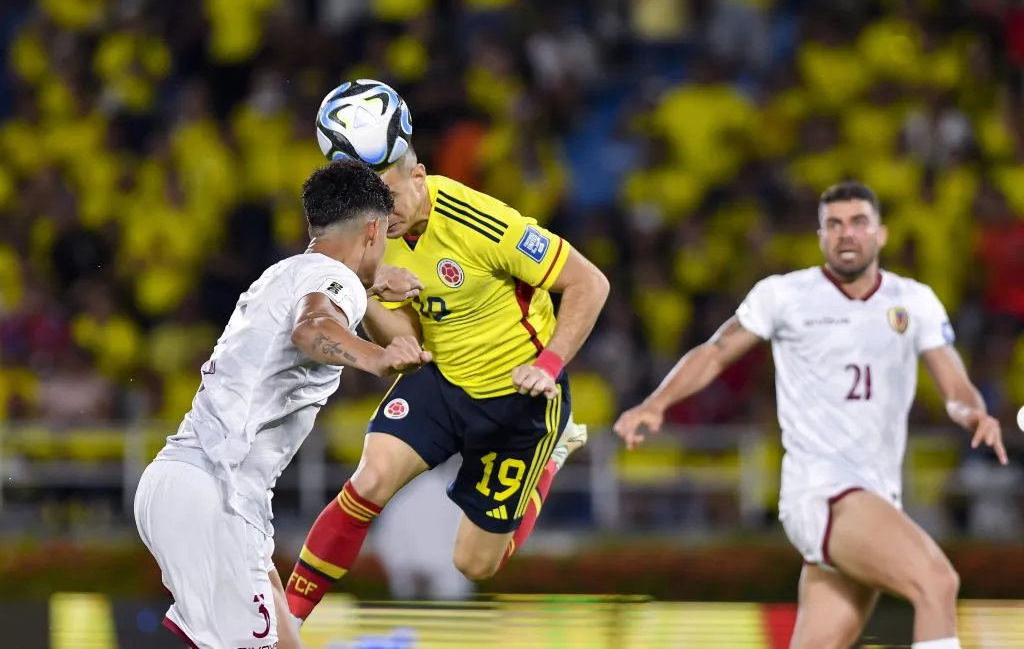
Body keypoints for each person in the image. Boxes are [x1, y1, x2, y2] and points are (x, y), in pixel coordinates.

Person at [613, 181, 1007, 649]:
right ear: (820, 236)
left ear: (880, 234)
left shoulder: (913, 300)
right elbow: (716, 352)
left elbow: (954, 381)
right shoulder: (785, 295)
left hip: (876, 499)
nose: (846, 234)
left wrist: (973, 414)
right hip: (823, 491)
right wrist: (657, 402)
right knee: (936, 582)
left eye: (858, 223)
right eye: (834, 224)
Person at [285, 141, 610, 623]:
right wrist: (369, 289)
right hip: (443, 378)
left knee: (474, 564)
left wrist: (549, 364)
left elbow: (591, 283)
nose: (383, 215)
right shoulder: (377, 232)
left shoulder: (483, 223)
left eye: (391, 197)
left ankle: (551, 457)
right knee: (368, 481)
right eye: (375, 204)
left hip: (518, 397)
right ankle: (284, 625)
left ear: (419, 176)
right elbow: (407, 344)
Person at [134, 159, 432, 649]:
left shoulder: (283, 274)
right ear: (375, 230)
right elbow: (312, 327)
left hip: (205, 488)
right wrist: (380, 359)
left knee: (284, 638)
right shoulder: (333, 282)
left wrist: (370, 284)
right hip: (214, 487)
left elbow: (312, 304)